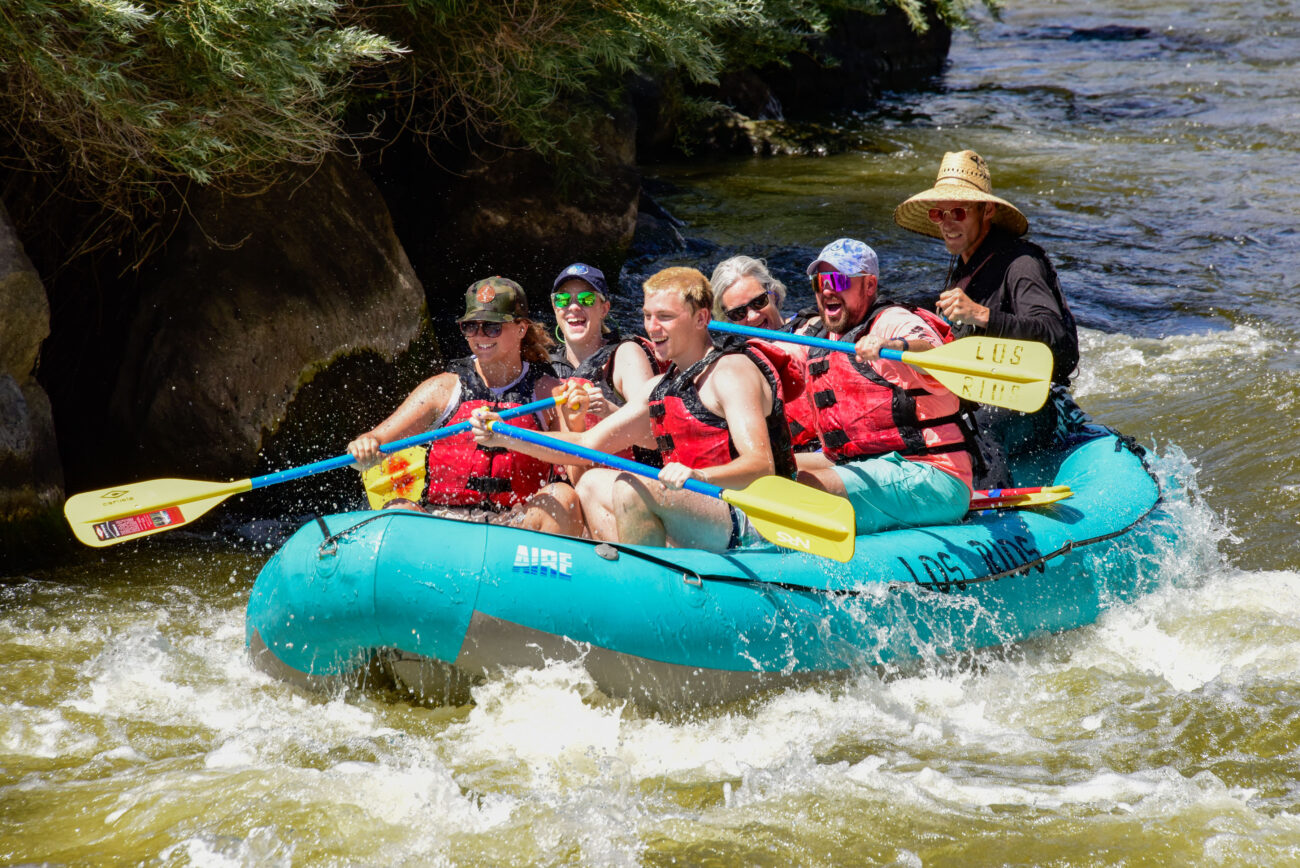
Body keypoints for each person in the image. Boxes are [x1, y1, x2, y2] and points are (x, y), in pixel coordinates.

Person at [471, 266, 800, 552]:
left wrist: (698, 475)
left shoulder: (731, 371)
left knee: (631, 489)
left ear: (702, 318)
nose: (652, 328)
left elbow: (760, 465)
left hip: (751, 516)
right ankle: (636, 569)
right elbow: (586, 445)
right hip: (698, 509)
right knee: (591, 483)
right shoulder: (660, 387)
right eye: (647, 316)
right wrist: (506, 434)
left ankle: (649, 580)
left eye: (666, 317)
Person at [893, 150, 1087, 464]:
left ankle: (987, 504)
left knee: (975, 426)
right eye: (938, 214)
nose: (946, 223)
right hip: (982, 396)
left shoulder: (1022, 263)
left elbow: (1056, 336)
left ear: (986, 212)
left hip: (1036, 402)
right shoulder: (964, 270)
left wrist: (982, 316)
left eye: (958, 212)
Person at [346, 276, 582, 534]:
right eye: (471, 326)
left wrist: (515, 436)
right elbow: (378, 439)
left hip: (519, 527)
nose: (480, 335)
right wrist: (364, 446)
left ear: (521, 329)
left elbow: (577, 454)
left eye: (492, 327)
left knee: (562, 495)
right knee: (397, 509)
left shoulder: (547, 391)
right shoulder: (443, 388)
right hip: (446, 525)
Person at [796, 238, 974, 536]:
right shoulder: (820, 335)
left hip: (932, 474)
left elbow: (933, 353)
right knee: (769, 471)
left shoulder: (894, 323)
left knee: (803, 488)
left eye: (838, 280)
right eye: (819, 281)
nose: (827, 289)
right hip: (862, 462)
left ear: (869, 285)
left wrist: (893, 346)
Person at [547, 262, 662, 478]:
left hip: (625, 484)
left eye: (586, 299)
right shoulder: (547, 368)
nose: (573, 307)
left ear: (604, 309)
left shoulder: (626, 354)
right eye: (563, 299)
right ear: (555, 309)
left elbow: (655, 437)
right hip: (568, 487)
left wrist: (608, 411)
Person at [711, 255, 821, 452]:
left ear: (774, 294)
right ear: (727, 320)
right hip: (784, 455)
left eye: (759, 302)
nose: (752, 316)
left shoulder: (814, 329)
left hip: (825, 452)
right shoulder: (730, 363)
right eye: (739, 313)